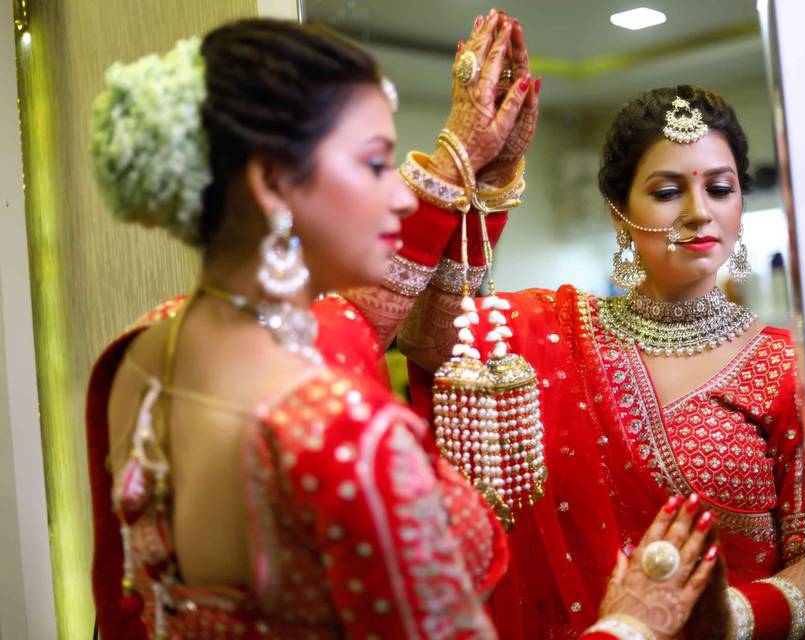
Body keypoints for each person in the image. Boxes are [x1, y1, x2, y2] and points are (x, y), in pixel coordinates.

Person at [85, 17, 719, 640]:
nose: (400, 195)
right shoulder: (346, 434)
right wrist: (632, 623)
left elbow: (355, 323)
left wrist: (474, 171)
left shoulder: (146, 355)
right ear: (272, 185)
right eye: (375, 163)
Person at [395, 14, 805, 640]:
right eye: (668, 190)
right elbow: (430, 336)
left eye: (720, 188)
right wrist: (481, 170)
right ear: (622, 216)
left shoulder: (789, 368)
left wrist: (733, 615)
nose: (700, 212)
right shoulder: (551, 331)